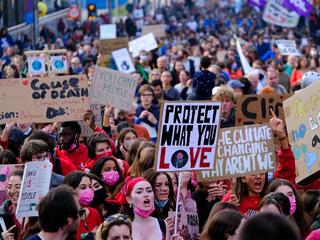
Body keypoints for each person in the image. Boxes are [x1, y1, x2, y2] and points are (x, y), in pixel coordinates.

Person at [64, 171, 102, 240]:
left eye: (90, 186)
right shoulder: (65, 217)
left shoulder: (94, 212)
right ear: (71, 190)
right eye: (83, 187)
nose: (89, 190)